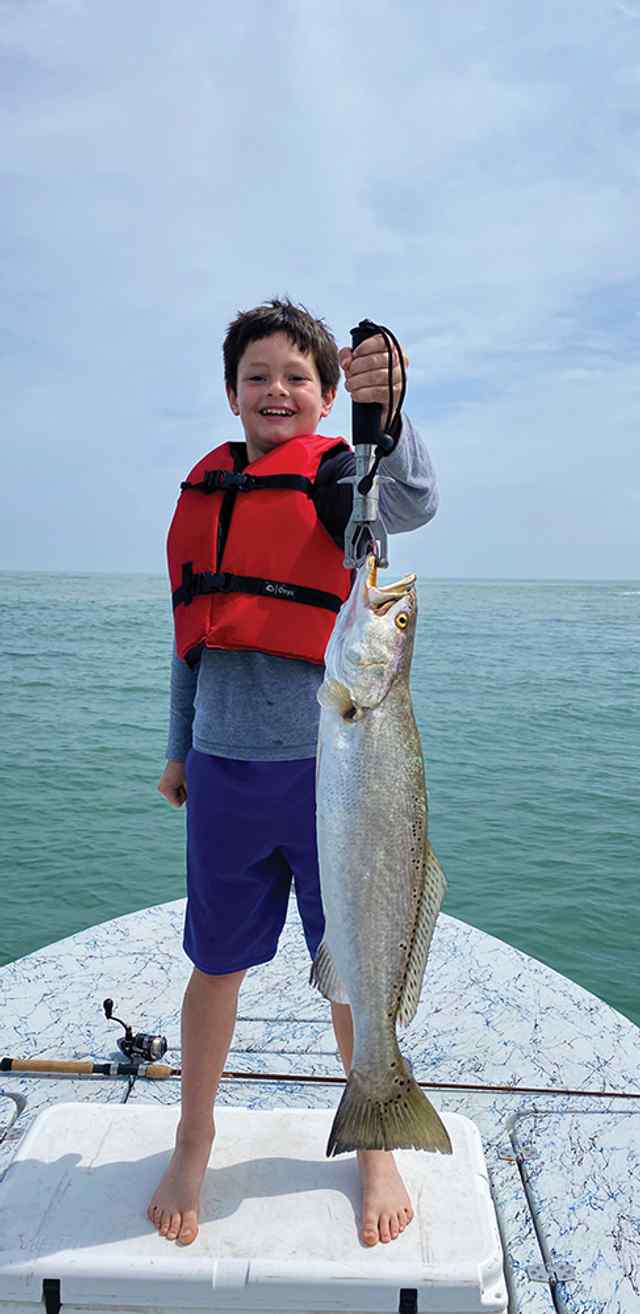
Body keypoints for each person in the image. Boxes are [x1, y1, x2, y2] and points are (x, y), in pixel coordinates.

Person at [147, 297, 439, 1249]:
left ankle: (375, 1142)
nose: (277, 390)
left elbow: (414, 502)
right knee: (214, 964)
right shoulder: (206, 495)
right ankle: (195, 1136)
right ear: (232, 393)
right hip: (227, 771)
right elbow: (191, 641)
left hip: (334, 780)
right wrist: (179, 748)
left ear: (323, 398)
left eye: (297, 379)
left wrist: (391, 417)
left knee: (351, 969)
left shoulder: (339, 484)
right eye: (257, 376)